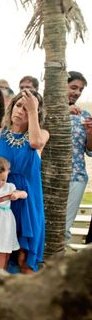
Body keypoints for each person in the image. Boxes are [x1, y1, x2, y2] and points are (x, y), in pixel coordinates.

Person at [0, 90, 49, 273]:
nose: (21, 111)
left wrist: (33, 110)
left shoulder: (41, 134)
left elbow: (35, 143)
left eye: (27, 109)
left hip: (28, 201)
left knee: (24, 259)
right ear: (11, 107)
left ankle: (26, 299)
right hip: (0, 200)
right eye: (19, 106)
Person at [64, 71, 92, 243]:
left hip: (77, 176)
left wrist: (90, 133)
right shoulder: (46, 110)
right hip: (49, 176)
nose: (76, 92)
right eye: (73, 87)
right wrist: (63, 111)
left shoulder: (84, 115)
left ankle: (57, 266)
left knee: (64, 227)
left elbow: (89, 151)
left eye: (80, 90)